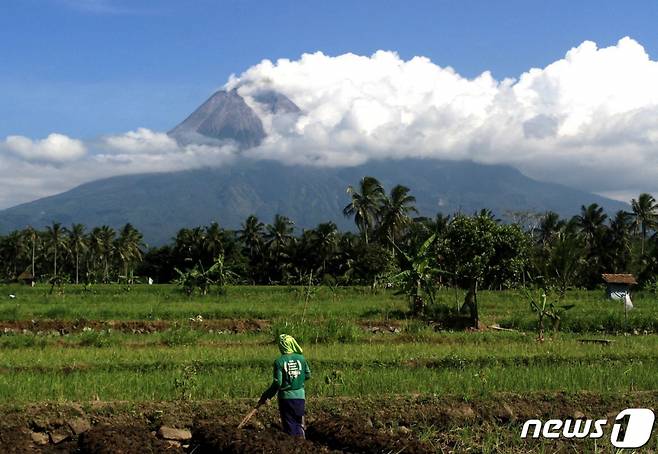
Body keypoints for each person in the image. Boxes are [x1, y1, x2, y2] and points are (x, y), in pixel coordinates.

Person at [258, 334, 311, 437]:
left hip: (286, 398)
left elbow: (278, 383)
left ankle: (293, 445)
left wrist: (266, 395)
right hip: (300, 396)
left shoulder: (279, 361)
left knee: (289, 424)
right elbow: (308, 375)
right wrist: (297, 382)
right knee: (299, 422)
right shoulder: (301, 359)